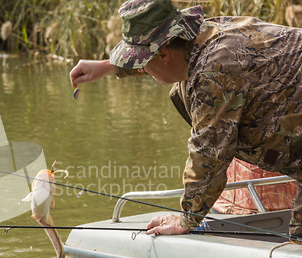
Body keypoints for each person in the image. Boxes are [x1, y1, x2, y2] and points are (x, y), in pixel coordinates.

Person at [69, 0, 302, 243]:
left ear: (163, 54)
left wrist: (186, 219)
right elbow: (164, 58)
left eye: (142, 63)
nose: (143, 70)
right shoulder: (206, 36)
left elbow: (209, 154)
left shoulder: (212, 72)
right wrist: (110, 66)